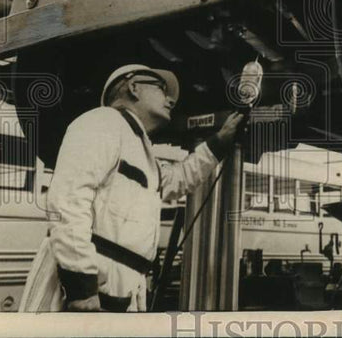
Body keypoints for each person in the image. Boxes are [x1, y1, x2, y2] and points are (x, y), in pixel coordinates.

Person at [18, 64, 244, 312]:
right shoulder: (101, 122)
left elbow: (178, 179)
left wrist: (218, 144)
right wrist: (81, 287)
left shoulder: (141, 149)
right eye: (161, 88)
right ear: (134, 87)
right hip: (86, 285)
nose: (170, 99)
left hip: (122, 286)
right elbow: (68, 201)